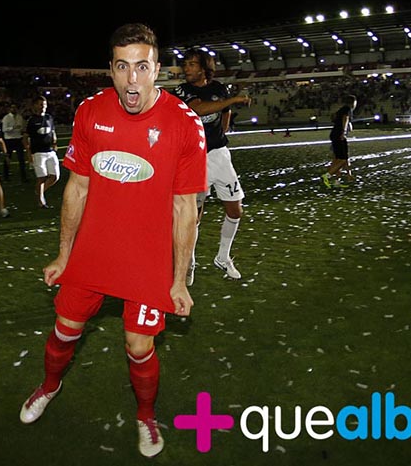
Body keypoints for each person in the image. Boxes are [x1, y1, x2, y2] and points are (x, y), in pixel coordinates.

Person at [19, 23, 206, 458]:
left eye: (142, 67)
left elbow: (185, 210)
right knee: (65, 330)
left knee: (138, 346)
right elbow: (77, 189)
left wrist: (179, 281)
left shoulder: (184, 124)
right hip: (94, 251)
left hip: (146, 260)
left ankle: (145, 415)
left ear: (157, 69)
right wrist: (64, 254)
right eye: (123, 67)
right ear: (111, 70)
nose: (132, 79)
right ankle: (48, 386)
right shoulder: (90, 112)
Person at [174, 48, 251, 284]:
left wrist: (220, 133)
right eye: (185, 64)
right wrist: (235, 99)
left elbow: (224, 114)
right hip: (193, 158)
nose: (186, 69)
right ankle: (190, 263)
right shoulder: (182, 90)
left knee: (235, 209)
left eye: (191, 65)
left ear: (204, 68)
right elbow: (198, 108)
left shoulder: (218, 88)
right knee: (193, 216)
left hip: (219, 155)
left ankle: (223, 257)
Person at [24, 95, 60, 208]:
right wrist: (28, 153)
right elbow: (25, 138)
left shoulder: (49, 118)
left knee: (55, 176)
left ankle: (40, 192)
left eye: (44, 105)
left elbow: (52, 131)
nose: (42, 107)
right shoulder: (31, 120)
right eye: (40, 104)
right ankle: (41, 201)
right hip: (38, 152)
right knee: (42, 177)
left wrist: (54, 142)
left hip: (50, 151)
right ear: (35, 106)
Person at [321, 95, 357, 188]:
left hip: (334, 134)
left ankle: (337, 181)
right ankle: (327, 176)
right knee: (342, 159)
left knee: (337, 158)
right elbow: (345, 119)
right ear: (353, 102)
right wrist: (344, 132)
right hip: (339, 135)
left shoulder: (341, 110)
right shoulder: (347, 109)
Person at [1, 102, 28, 182]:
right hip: (9, 140)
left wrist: (21, 130)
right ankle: (5, 176)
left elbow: (21, 127)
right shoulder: (6, 118)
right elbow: (4, 129)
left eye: (15, 108)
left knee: (21, 159)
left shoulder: (19, 117)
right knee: (7, 158)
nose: (14, 109)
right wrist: (13, 128)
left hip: (18, 138)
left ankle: (23, 177)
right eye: (12, 108)